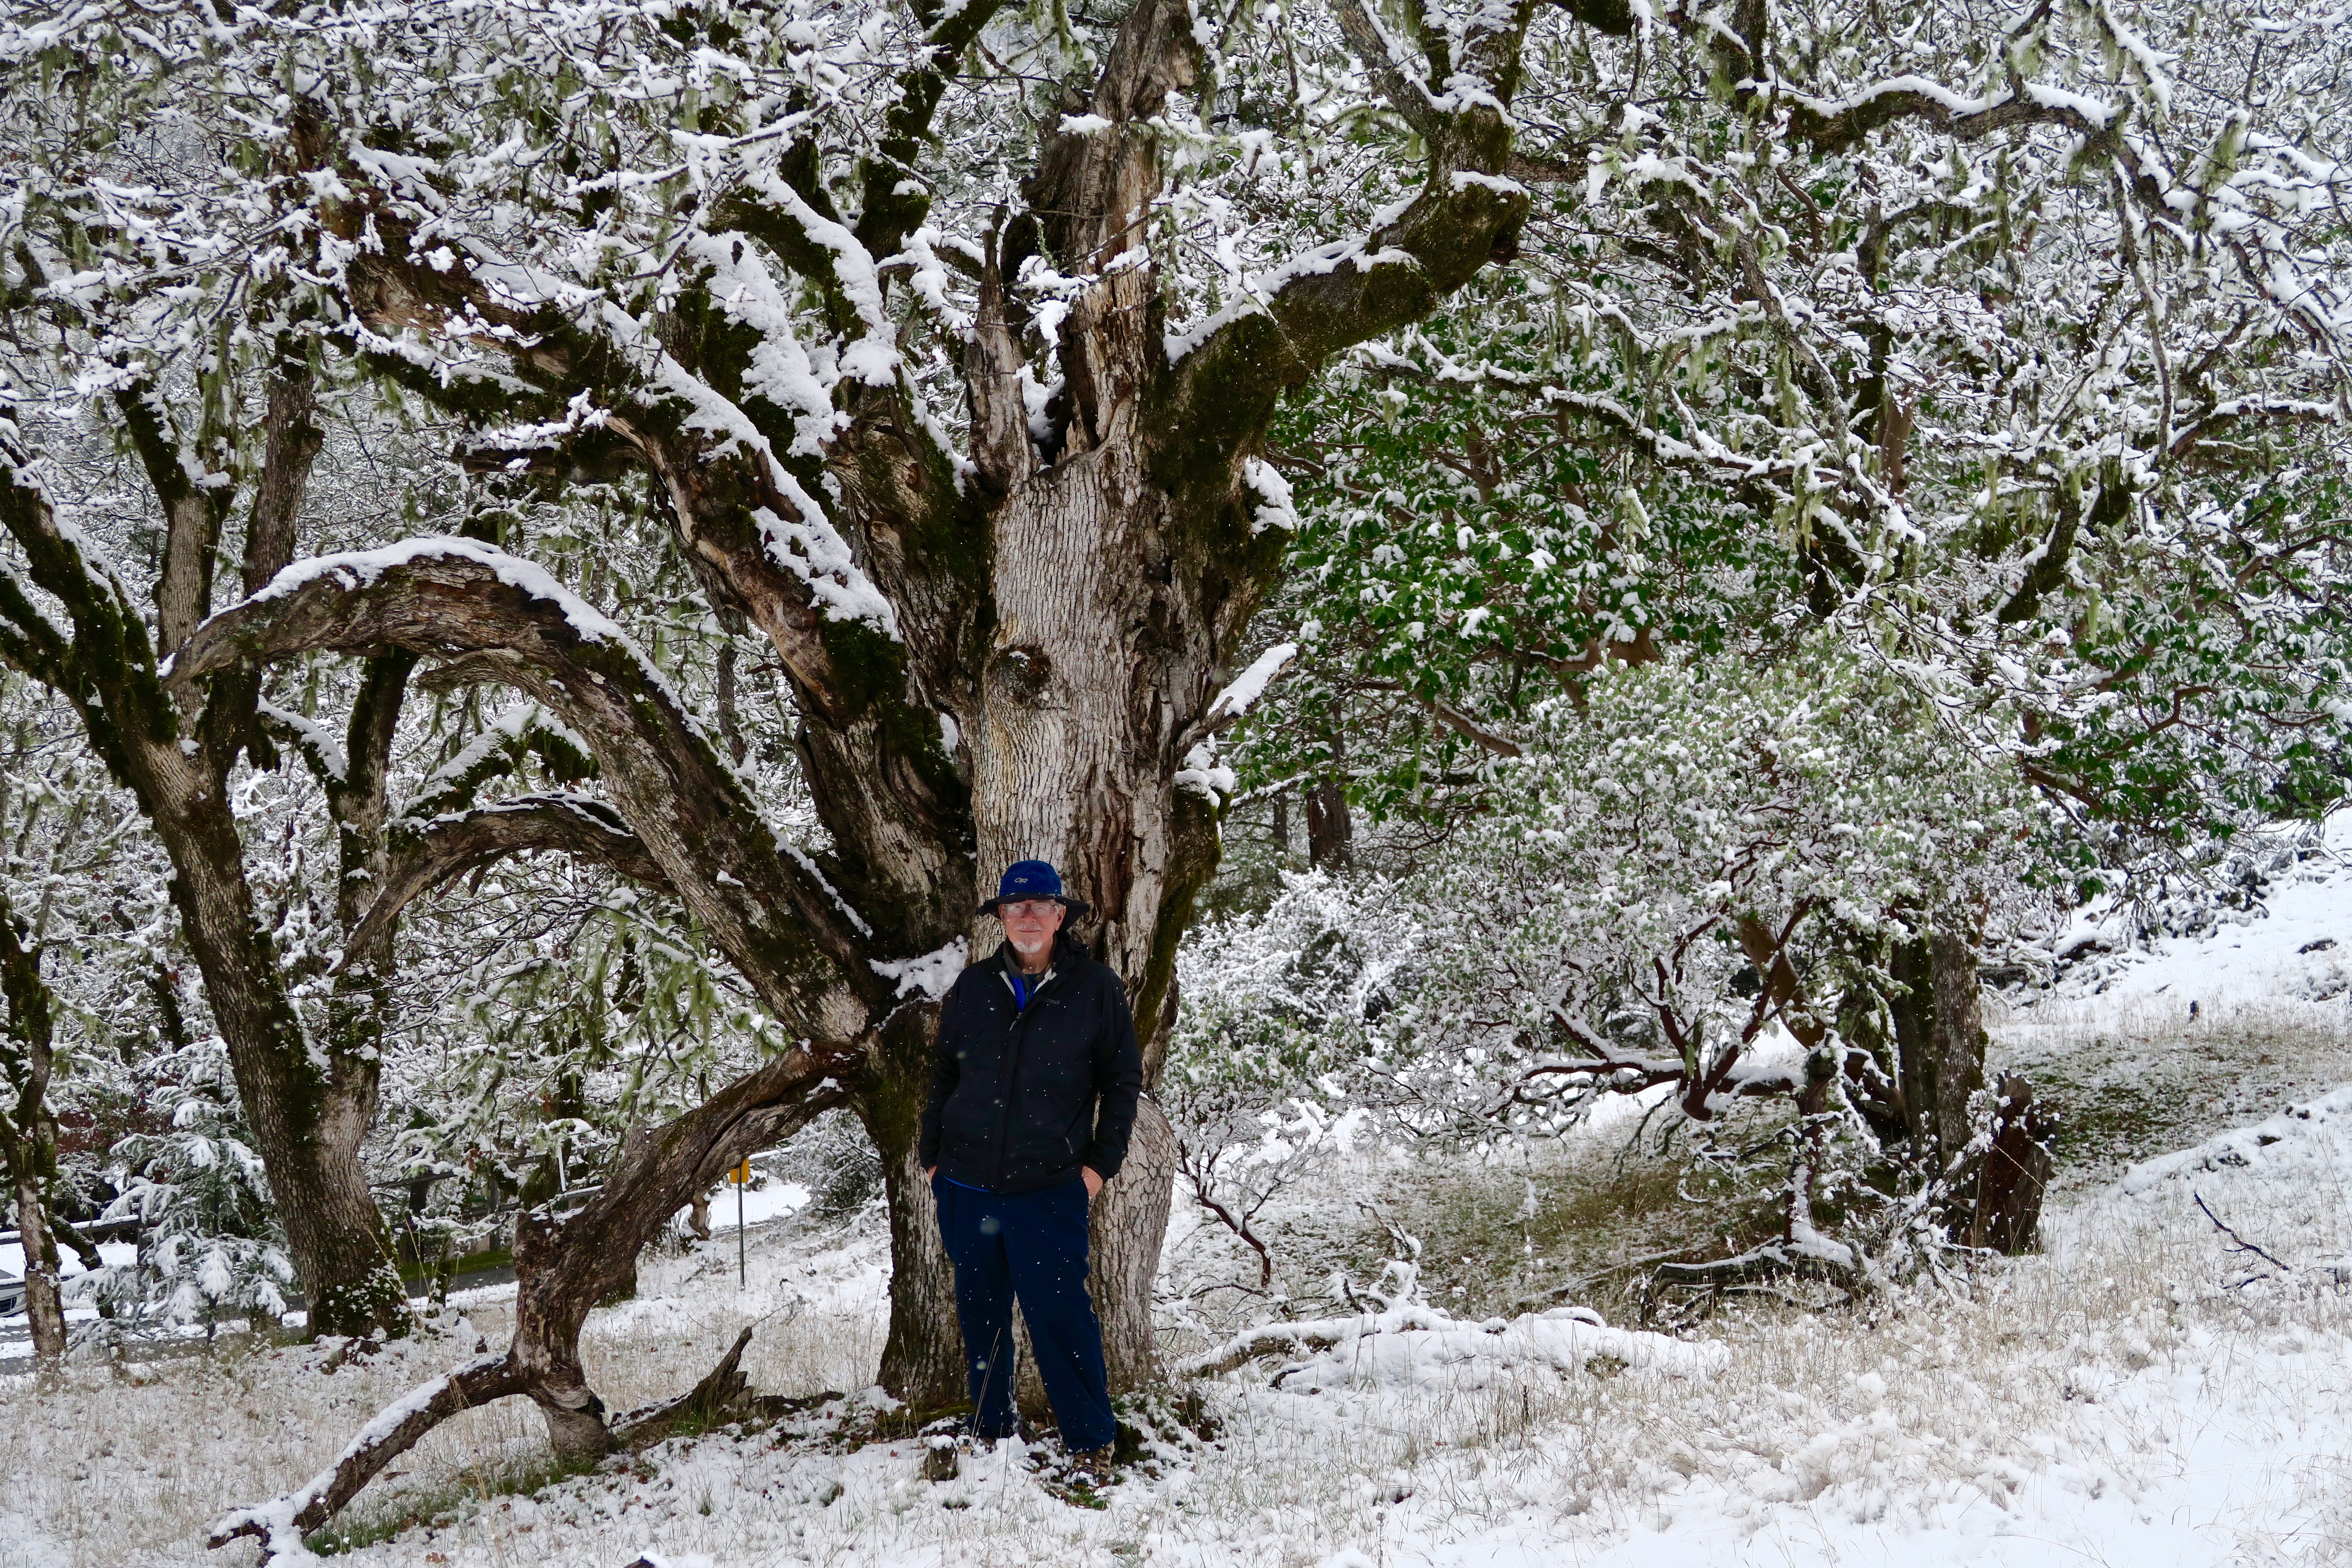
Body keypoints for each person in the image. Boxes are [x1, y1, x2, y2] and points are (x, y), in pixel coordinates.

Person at [919, 859, 1143, 1480]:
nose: (1028, 917)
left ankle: (1090, 1443)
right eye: (1015, 907)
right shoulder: (974, 987)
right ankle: (992, 1433)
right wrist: (932, 1158)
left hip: (1049, 1190)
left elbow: (1122, 1083)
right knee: (980, 1313)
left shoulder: (1095, 989)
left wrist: (1099, 1168)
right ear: (1000, 918)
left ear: (1061, 915)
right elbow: (945, 1074)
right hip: (966, 1187)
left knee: (1061, 1318)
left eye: (1041, 905)